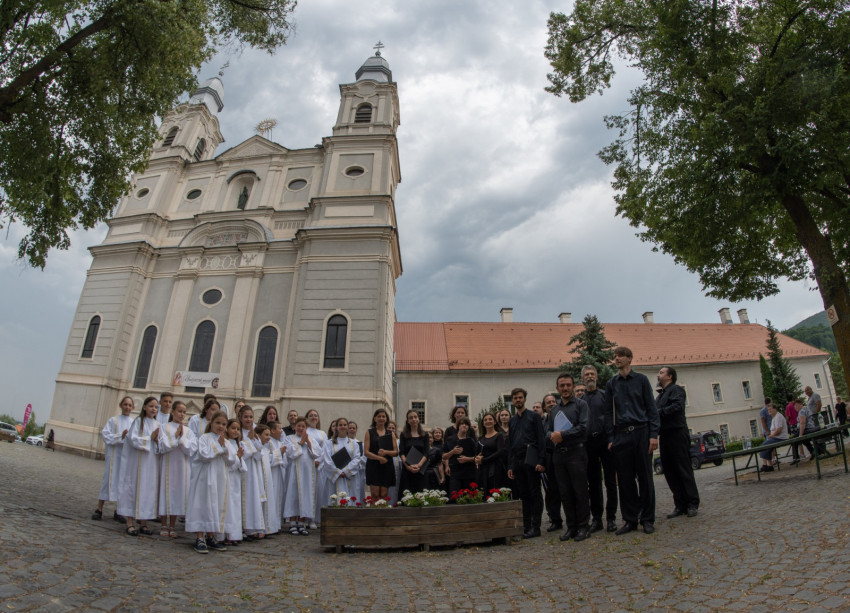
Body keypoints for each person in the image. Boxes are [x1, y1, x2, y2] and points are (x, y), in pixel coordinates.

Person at [604, 346, 660, 535]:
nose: (617, 358)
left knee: (645, 478)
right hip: (621, 435)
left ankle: (647, 519)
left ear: (630, 358)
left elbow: (651, 408)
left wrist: (654, 435)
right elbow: (608, 413)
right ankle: (630, 520)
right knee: (626, 481)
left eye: (620, 356)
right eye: (615, 356)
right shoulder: (612, 383)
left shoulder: (642, 380)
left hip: (641, 432)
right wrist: (611, 438)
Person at [547, 374, 591, 542]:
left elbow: (584, 428)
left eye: (567, 385)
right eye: (562, 386)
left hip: (576, 453)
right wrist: (552, 435)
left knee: (579, 491)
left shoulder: (581, 405)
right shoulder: (554, 410)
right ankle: (571, 527)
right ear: (557, 388)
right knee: (565, 492)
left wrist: (562, 435)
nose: (565, 388)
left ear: (572, 387)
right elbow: (548, 430)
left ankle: (583, 526)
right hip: (559, 455)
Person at [185, 410, 237, 553]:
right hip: (205, 478)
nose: (220, 426)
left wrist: (224, 447)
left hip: (219, 479)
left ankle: (211, 535)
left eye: (224, 424)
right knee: (203, 504)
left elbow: (232, 460)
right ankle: (200, 537)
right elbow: (204, 455)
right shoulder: (204, 438)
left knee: (216, 505)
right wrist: (220, 448)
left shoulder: (226, 441)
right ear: (211, 423)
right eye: (218, 423)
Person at [656, 366, 700, 518]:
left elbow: (677, 407)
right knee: (669, 471)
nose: (658, 375)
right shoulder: (660, 396)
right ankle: (680, 504)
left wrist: (658, 412)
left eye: (661, 372)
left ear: (670, 376)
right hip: (665, 436)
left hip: (677, 433)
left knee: (683, 469)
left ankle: (692, 503)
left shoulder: (677, 390)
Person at [117, 396, 161, 537]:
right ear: (144, 407)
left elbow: (161, 443)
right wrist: (150, 438)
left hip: (151, 464)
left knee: (147, 491)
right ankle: (130, 523)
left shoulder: (157, 424)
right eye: (151, 406)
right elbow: (132, 439)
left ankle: (144, 522)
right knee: (134, 489)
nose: (153, 409)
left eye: (155, 407)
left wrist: (158, 441)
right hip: (137, 464)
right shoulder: (138, 422)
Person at [582, 365, 618, 533]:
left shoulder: (605, 395)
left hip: (606, 442)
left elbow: (612, 417)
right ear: (582, 379)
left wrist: (612, 438)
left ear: (596, 377)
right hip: (589, 444)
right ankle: (597, 519)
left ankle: (611, 518)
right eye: (587, 374)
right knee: (594, 484)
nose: (590, 376)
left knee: (610, 481)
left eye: (592, 374)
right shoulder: (580, 401)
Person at [507, 387, 546, 539]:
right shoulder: (512, 421)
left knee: (535, 493)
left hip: (532, 459)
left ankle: (536, 527)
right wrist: (511, 465)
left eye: (520, 397)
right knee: (523, 495)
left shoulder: (534, 417)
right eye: (515, 398)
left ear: (524, 399)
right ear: (512, 400)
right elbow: (510, 445)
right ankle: (527, 525)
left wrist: (541, 460)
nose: (518, 400)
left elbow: (541, 439)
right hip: (517, 461)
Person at [157, 400, 197, 538]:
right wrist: (175, 438)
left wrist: (181, 439)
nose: (182, 414)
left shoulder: (188, 431)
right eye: (179, 411)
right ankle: (163, 524)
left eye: (184, 412)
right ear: (173, 411)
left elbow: (192, 449)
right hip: (168, 464)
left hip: (182, 466)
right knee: (165, 491)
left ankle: (172, 525)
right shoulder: (164, 427)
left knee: (177, 494)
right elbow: (162, 446)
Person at [92, 396, 135, 522]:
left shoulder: (133, 422)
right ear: (121, 405)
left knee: (122, 483)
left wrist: (127, 438)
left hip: (125, 458)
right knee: (107, 481)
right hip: (113, 457)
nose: (127, 407)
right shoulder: (113, 420)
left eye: (129, 405)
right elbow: (106, 435)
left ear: (133, 407)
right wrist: (120, 437)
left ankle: (118, 510)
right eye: (125, 404)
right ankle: (99, 509)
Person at [284, 417, 318, 535]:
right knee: (293, 495)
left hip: (307, 473)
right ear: (295, 427)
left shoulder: (312, 440)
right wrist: (301, 443)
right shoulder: (289, 439)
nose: (301, 428)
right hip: (293, 472)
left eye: (303, 426)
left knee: (305, 495)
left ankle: (302, 523)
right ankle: (293, 522)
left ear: (306, 428)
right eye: (299, 426)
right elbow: (291, 453)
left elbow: (316, 454)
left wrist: (308, 443)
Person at [239, 405, 266, 540]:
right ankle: (242, 528)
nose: (248, 420)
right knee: (242, 499)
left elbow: (258, 455)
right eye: (246, 417)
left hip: (253, 472)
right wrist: (249, 442)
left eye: (250, 417)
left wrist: (253, 440)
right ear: (240, 418)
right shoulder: (238, 433)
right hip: (242, 471)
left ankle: (252, 527)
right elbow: (242, 453)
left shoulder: (254, 435)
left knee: (252, 498)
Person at [320, 417, 362, 504]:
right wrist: (338, 472)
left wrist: (345, 471)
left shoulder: (354, 443)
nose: (343, 427)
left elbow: (356, 458)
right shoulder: (329, 443)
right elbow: (327, 460)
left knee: (350, 499)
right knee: (333, 500)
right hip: (334, 478)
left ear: (347, 427)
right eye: (340, 425)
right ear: (336, 428)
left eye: (345, 425)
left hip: (349, 477)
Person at [364, 408, 398, 502]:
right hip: (373, 465)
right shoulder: (369, 432)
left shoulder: (390, 434)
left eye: (383, 416)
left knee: (383, 495)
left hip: (386, 465)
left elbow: (396, 452)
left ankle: (383, 516)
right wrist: (379, 458)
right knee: (375, 495)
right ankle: (373, 516)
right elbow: (366, 452)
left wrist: (386, 452)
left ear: (386, 419)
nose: (381, 418)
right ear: (375, 418)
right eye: (379, 416)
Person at [541, 393, 564, 533]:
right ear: (544, 407)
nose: (551, 403)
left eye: (553, 401)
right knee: (552, 491)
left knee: (567, 489)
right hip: (550, 459)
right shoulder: (542, 422)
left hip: (565, 456)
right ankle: (555, 520)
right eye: (548, 402)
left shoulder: (563, 418)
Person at [223, 418, 247, 545]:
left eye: (238, 429)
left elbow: (242, 465)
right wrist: (237, 457)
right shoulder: (225, 443)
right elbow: (228, 463)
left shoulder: (238, 444)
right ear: (227, 429)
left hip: (236, 479)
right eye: (233, 428)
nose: (236, 431)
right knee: (228, 507)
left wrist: (239, 459)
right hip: (228, 478)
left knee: (236, 507)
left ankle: (234, 534)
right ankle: (226, 534)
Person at [475, 412, 507, 494]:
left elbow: (500, 452)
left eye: (490, 419)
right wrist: (477, 459)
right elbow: (478, 453)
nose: (487, 421)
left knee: (494, 491)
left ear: (495, 422)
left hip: (496, 468)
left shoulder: (499, 435)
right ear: (483, 423)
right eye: (485, 420)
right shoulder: (481, 438)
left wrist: (484, 460)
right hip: (483, 469)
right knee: (483, 491)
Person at [305, 409, 327, 528]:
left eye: (315, 415)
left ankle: (316, 518)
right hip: (309, 465)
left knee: (318, 492)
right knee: (308, 492)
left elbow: (325, 450)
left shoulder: (322, 433)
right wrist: (312, 461)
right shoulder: (305, 431)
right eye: (311, 415)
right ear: (307, 418)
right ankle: (308, 518)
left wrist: (319, 461)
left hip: (319, 466)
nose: (314, 417)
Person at [399, 410, 430, 495]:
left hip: (421, 470)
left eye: (415, 417)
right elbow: (401, 453)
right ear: (408, 421)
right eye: (411, 418)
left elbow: (426, 453)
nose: (413, 419)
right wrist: (408, 466)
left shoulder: (425, 435)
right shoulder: (403, 435)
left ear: (418, 419)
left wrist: (419, 465)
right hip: (407, 470)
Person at [446, 417, 477, 496]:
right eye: (462, 424)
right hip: (455, 473)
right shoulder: (450, 439)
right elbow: (443, 456)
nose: (464, 426)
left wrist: (467, 459)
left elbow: (477, 458)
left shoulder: (472, 441)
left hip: (469, 473)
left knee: (468, 497)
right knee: (454, 496)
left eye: (466, 424)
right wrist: (453, 452)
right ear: (458, 426)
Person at [759, 403, 789, 471]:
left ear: (775, 409)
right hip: (776, 437)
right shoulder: (774, 417)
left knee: (764, 445)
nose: (769, 411)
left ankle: (765, 465)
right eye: (768, 410)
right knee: (767, 446)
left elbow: (779, 430)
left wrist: (771, 435)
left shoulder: (778, 416)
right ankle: (769, 465)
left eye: (770, 409)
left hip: (780, 437)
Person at [347, 420, 367, 502]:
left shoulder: (360, 444)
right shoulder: (344, 442)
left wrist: (358, 459)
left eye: (353, 428)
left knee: (358, 493)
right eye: (350, 428)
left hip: (358, 472)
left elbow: (365, 458)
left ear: (356, 430)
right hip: (346, 472)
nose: (352, 429)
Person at [785, 394, 800, 462]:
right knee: (799, 439)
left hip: (793, 424)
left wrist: (786, 422)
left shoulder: (789, 406)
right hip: (798, 422)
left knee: (794, 440)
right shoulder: (795, 404)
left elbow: (788, 416)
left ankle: (796, 456)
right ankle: (801, 454)